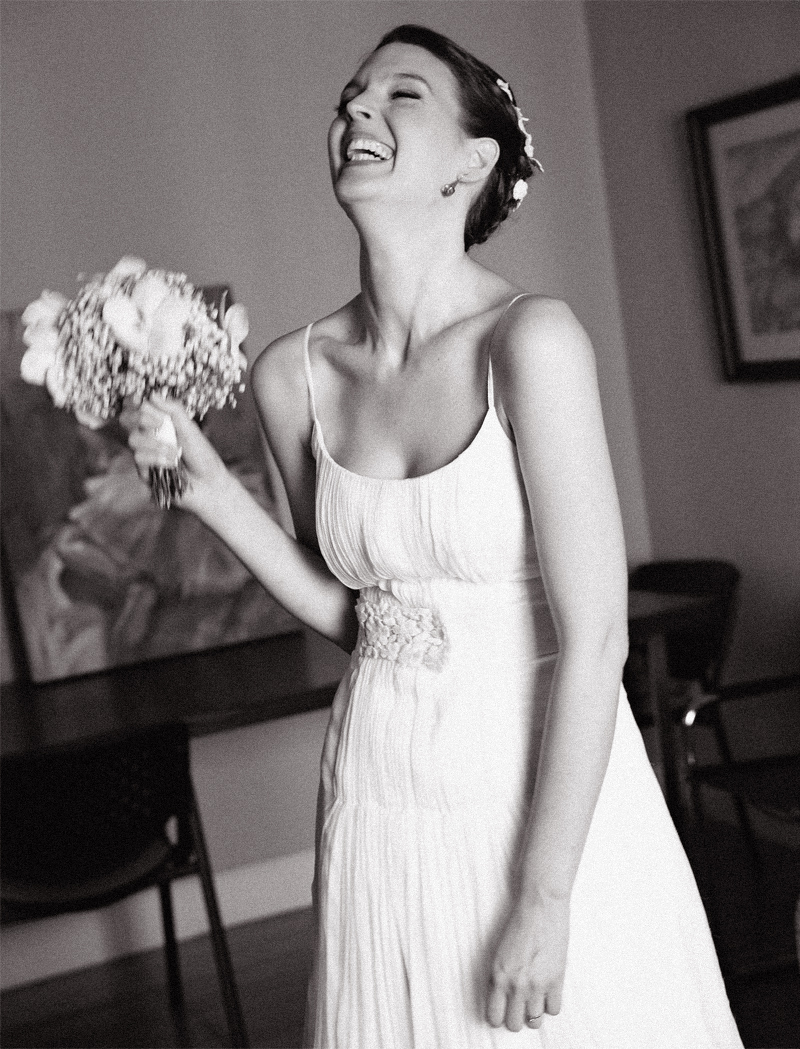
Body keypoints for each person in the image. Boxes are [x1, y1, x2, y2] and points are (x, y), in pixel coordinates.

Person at [124, 24, 743, 1048]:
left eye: (400, 94)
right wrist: (212, 496)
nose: (357, 109)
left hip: (538, 793)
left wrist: (544, 895)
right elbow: (359, 618)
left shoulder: (531, 342)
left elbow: (597, 640)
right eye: (350, 96)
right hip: (378, 788)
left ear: (472, 162)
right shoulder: (289, 375)